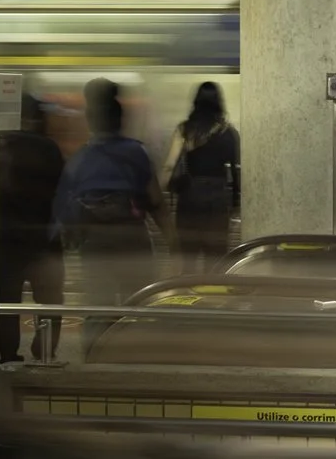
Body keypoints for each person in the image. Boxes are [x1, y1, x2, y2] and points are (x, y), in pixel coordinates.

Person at [0, 90, 66, 362]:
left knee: (5, 302)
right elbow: (62, 191)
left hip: (4, 241)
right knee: (51, 300)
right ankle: (44, 352)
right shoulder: (48, 148)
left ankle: (7, 355)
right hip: (43, 240)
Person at [56, 78, 161, 307]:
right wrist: (173, 239)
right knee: (137, 304)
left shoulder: (80, 158)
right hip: (132, 238)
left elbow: (64, 208)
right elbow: (155, 199)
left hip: (95, 242)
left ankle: (99, 331)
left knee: (98, 307)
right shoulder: (137, 151)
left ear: (90, 122)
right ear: (121, 120)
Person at [162, 81, 240, 271]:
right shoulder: (228, 132)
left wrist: (162, 191)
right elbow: (235, 171)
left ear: (196, 102)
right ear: (219, 102)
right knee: (215, 261)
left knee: (188, 258)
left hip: (190, 197)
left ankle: (189, 288)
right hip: (217, 198)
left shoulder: (185, 130)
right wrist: (235, 203)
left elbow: (169, 166)